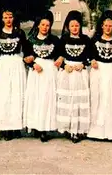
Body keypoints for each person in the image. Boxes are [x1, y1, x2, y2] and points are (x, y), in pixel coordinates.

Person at [0, 8, 34, 141]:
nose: (8, 20)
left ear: (14, 18)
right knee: (4, 95)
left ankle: (16, 127)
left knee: (17, 95)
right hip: (3, 65)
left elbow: (27, 49)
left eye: (10, 17)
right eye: (5, 17)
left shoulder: (20, 33)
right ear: (2, 19)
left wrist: (30, 60)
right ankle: (5, 127)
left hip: (16, 64)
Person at [23, 11, 63, 142]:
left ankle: (45, 128)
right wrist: (33, 64)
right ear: (38, 25)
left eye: (48, 25)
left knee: (47, 99)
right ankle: (35, 125)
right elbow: (27, 58)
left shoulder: (54, 40)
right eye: (43, 25)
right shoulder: (31, 40)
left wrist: (60, 59)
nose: (45, 27)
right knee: (36, 98)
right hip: (37, 72)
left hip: (50, 71)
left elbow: (60, 55)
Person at [87, 10, 112, 141]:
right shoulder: (95, 40)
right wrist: (91, 60)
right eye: (106, 25)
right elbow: (88, 55)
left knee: (110, 99)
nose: (108, 28)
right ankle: (96, 131)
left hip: (111, 71)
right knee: (97, 98)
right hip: (98, 72)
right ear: (102, 26)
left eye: (111, 26)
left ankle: (111, 131)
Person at [56, 10, 93, 143]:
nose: (75, 28)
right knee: (68, 100)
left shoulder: (86, 40)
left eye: (77, 25)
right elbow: (58, 56)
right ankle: (68, 127)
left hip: (80, 74)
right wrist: (63, 66)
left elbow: (90, 57)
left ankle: (78, 130)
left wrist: (83, 64)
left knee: (78, 101)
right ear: (67, 26)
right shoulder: (64, 40)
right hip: (67, 73)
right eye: (72, 26)